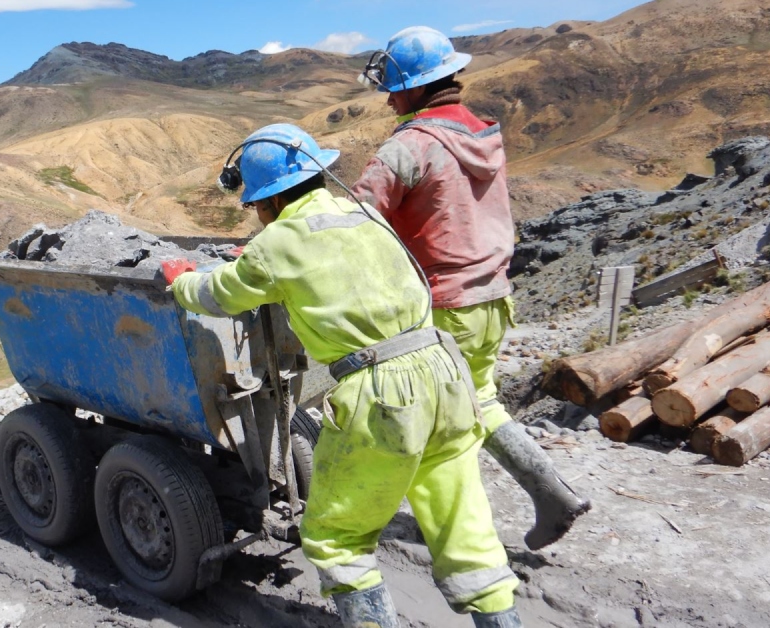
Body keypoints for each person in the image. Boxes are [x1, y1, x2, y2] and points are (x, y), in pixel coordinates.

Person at [163, 124, 523, 627]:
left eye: (254, 207)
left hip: (382, 392)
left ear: (265, 203)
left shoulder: (277, 242)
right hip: (446, 373)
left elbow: (221, 294)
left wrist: (182, 282)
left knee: (336, 537)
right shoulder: (365, 214)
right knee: (462, 527)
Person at [351, 26, 590, 551]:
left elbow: (356, 222)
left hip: (441, 307)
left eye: (394, 87)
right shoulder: (483, 133)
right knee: (479, 401)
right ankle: (551, 492)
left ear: (418, 87)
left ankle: (458, 540)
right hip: (493, 297)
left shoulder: (407, 148)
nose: (389, 98)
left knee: (437, 433)